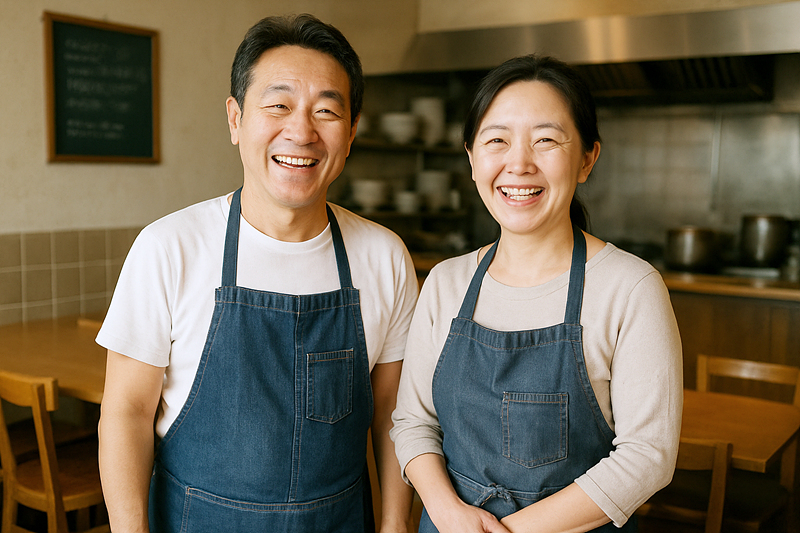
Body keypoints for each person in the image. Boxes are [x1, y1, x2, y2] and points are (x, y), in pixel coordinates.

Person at [97, 14, 417, 533]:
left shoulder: (385, 257)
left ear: (352, 131)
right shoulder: (168, 247)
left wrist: (395, 525)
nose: (301, 131)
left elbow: (392, 415)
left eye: (327, 110)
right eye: (278, 105)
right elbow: (126, 413)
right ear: (235, 119)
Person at [390, 55, 683, 533]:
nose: (518, 163)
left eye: (545, 140)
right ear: (471, 158)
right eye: (497, 140)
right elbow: (413, 423)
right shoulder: (446, 282)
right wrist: (447, 512)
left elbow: (648, 457)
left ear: (587, 158)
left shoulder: (630, 288)